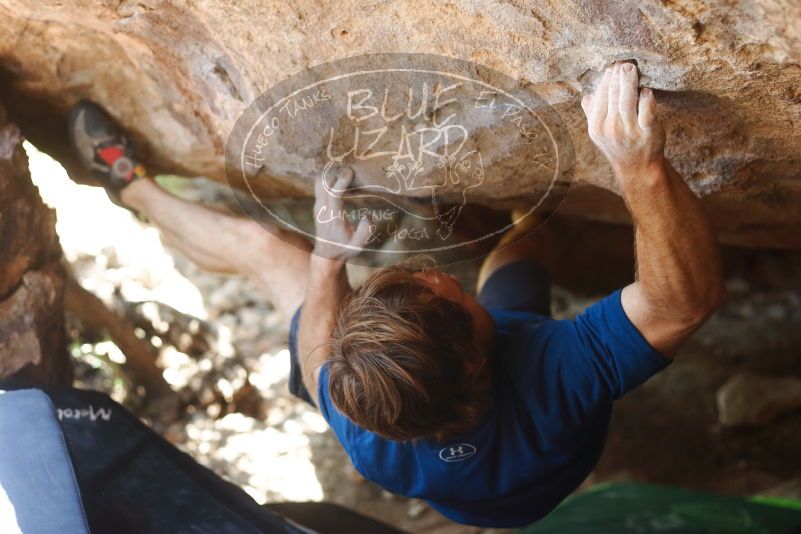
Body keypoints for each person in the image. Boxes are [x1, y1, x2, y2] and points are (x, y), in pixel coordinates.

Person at [68, 62, 725, 528]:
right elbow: (681, 303)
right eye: (458, 298)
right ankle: (538, 221)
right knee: (520, 260)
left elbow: (318, 359)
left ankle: (128, 184)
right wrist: (637, 169)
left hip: (473, 465)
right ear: (477, 352)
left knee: (267, 252)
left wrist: (327, 260)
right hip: (543, 456)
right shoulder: (556, 375)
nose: (444, 276)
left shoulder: (367, 419)